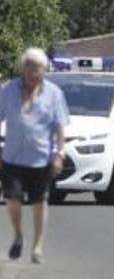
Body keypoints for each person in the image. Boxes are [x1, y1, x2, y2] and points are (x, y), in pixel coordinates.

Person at [0, 48, 70, 264]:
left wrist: (59, 154)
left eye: (39, 72)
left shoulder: (54, 94)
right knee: (13, 200)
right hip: (12, 156)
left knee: (40, 202)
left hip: (41, 158)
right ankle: (18, 235)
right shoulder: (9, 90)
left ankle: (38, 245)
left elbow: (60, 128)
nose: (35, 77)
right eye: (31, 72)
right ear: (23, 70)